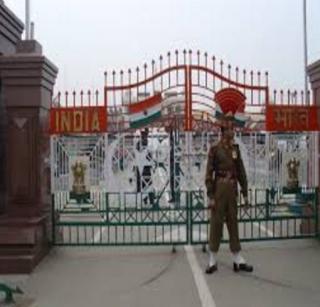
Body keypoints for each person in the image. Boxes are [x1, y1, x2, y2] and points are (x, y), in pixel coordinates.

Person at [205, 88, 253, 274]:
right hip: (219, 189)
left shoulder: (235, 148)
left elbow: (240, 170)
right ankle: (212, 260)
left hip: (232, 189)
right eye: (230, 128)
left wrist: (245, 192)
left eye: (233, 128)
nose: (233, 130)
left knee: (233, 222)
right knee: (216, 223)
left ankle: (237, 259)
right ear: (223, 130)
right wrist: (210, 195)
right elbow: (209, 173)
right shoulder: (215, 149)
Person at [136, 127, 156, 207]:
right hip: (143, 166)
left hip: (144, 166)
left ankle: (148, 200)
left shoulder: (145, 143)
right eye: (144, 134)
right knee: (145, 184)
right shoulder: (140, 143)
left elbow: (150, 155)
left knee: (147, 184)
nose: (144, 136)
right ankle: (147, 200)